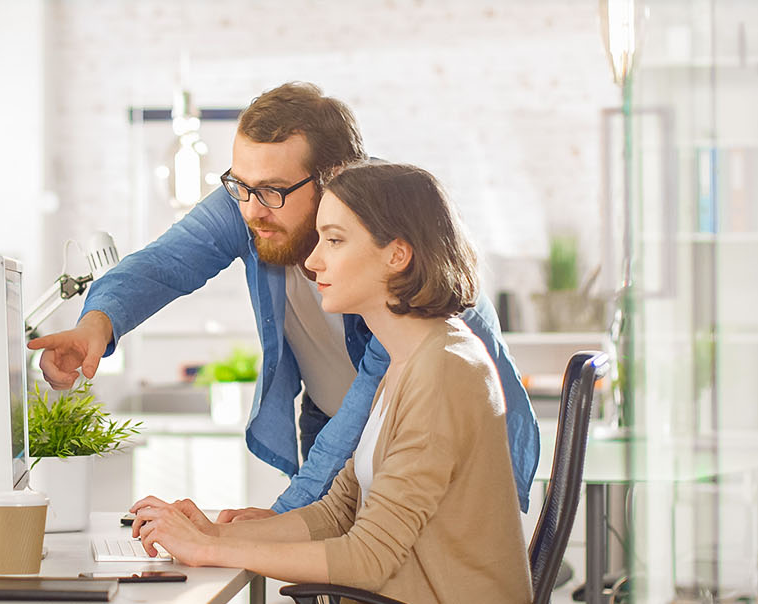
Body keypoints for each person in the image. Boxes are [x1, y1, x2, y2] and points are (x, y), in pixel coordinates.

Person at [27, 82, 539, 516]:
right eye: (240, 186)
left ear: (336, 176)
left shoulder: (392, 238)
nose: (251, 210)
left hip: (448, 453)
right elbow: (164, 263)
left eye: (271, 191)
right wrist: (98, 323)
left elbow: (368, 401)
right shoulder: (253, 201)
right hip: (340, 431)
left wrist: (281, 519)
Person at [130, 162, 533, 603]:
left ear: (397, 255)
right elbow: (338, 510)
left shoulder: (443, 371)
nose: (312, 259)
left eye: (335, 240)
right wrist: (212, 534)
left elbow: (368, 558)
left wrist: (208, 548)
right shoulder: (408, 359)